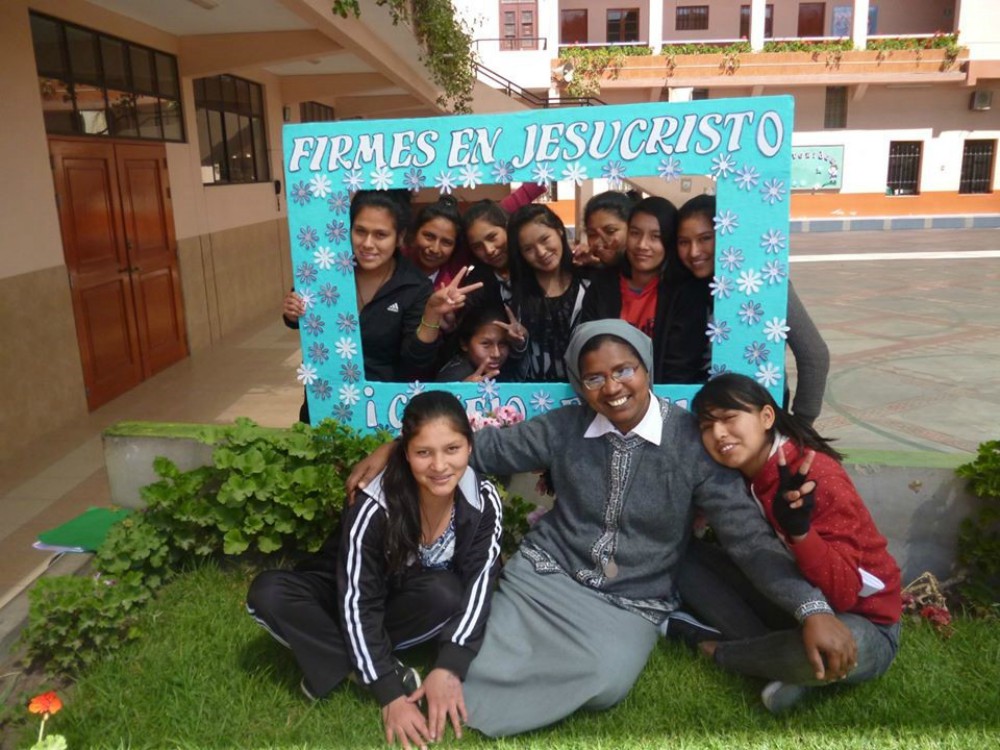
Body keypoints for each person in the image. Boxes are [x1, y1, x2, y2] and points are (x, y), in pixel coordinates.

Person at [348, 320, 857, 737]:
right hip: (545, 578)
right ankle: (439, 689)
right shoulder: (565, 427)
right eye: (594, 378)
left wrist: (809, 607)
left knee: (606, 682)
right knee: (477, 656)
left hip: (631, 598)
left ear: (645, 368)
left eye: (624, 370)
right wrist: (398, 447)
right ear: (578, 383)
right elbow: (481, 449)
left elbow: (748, 538)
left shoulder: (690, 441)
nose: (612, 388)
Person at [247, 391, 503, 748]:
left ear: (470, 447)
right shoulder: (373, 505)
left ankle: (327, 654)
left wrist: (449, 666)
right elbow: (356, 601)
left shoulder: (483, 499)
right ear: (405, 452)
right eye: (423, 452)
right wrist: (388, 692)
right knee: (269, 593)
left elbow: (481, 583)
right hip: (339, 593)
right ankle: (367, 666)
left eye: (452, 449)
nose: (440, 465)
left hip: (403, 603)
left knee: (446, 592)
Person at [680, 372, 901, 713]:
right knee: (682, 560)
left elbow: (843, 592)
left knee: (831, 648)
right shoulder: (738, 474)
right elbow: (753, 554)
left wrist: (800, 533)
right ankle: (784, 664)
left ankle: (723, 652)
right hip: (791, 603)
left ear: (767, 417)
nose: (718, 434)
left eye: (728, 419)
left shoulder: (815, 476)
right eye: (707, 426)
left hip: (861, 620)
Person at [676, 194, 829, 424]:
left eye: (705, 238)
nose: (694, 252)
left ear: (727, 235)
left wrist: (802, 424)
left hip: (760, 418)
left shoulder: (764, 284)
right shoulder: (680, 290)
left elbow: (814, 355)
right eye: (683, 242)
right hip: (699, 416)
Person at [347, 190, 481, 382]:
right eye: (360, 231)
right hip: (325, 395)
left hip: (383, 400)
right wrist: (295, 310)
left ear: (399, 237)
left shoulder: (417, 287)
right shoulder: (331, 269)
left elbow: (416, 365)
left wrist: (432, 313)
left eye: (380, 235)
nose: (368, 244)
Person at [580, 196, 708, 383]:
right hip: (608, 393)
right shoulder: (602, 286)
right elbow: (588, 347)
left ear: (669, 240)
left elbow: (681, 367)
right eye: (635, 233)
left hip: (662, 400)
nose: (642, 245)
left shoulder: (685, 292)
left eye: (655, 237)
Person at [506, 204, 589, 381]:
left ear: (559, 230)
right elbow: (512, 357)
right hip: (533, 396)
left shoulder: (588, 282)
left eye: (545, 239)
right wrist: (518, 343)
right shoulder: (514, 292)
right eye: (528, 249)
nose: (541, 252)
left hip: (583, 392)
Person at [461, 183, 545, 310]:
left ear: (508, 227)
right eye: (477, 246)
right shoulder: (475, 285)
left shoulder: (537, 263)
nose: (489, 250)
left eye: (492, 237)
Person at [435, 305, 522, 383]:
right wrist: (462, 392)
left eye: (502, 344)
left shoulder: (508, 367)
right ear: (464, 344)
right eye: (486, 344)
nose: (496, 354)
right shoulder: (453, 377)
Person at [576, 190, 635, 269]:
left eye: (610, 231)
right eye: (592, 234)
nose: (598, 242)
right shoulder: (590, 273)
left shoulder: (647, 271)